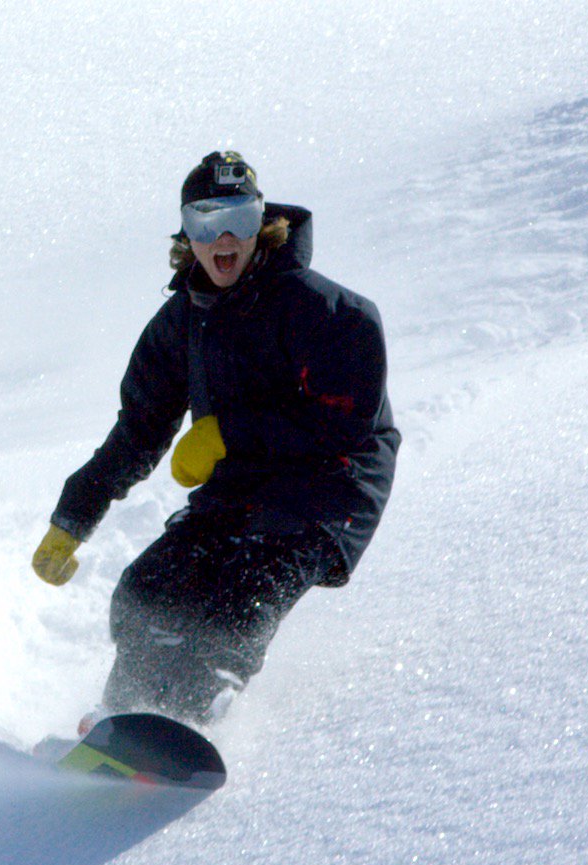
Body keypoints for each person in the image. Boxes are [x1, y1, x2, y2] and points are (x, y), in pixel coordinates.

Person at [30, 150, 400, 725]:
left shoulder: (331, 313)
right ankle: (125, 716)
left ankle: (198, 718)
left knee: (238, 601)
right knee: (145, 592)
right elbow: (139, 430)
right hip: (241, 485)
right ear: (185, 233)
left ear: (265, 224)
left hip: (330, 487)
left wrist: (228, 433)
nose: (225, 237)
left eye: (241, 220)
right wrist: (74, 514)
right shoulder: (183, 323)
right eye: (206, 221)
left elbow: (347, 424)